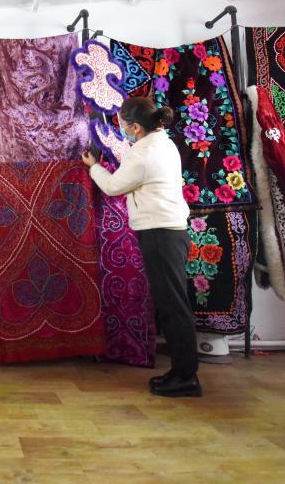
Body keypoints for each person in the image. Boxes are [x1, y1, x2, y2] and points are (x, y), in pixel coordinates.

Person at [82, 97, 201, 398]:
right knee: (173, 305)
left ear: (136, 127)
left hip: (160, 234)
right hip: (170, 231)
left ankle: (186, 378)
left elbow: (113, 186)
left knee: (173, 308)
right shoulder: (164, 144)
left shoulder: (143, 154)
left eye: (123, 125)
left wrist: (93, 166)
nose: (121, 129)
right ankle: (180, 372)